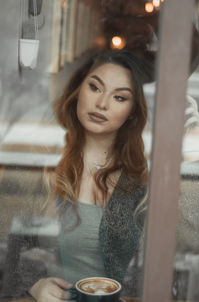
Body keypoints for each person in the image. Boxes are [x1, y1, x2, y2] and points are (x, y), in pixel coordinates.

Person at [28, 49, 148, 302]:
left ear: (132, 112)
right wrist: (34, 285)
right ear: (77, 90)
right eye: (95, 88)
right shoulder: (44, 162)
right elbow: (13, 245)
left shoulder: (140, 182)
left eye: (119, 97)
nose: (102, 104)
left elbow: (158, 268)